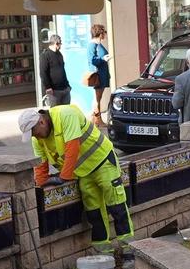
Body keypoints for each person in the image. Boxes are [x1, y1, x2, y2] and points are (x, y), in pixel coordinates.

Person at [31, 102, 132, 253]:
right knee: (94, 212)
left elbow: (73, 146)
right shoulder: (37, 139)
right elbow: (40, 166)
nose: (35, 136)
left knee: (116, 206)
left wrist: (64, 177)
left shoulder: (65, 114)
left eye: (35, 132)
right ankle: (104, 253)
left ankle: (129, 250)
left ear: (41, 121)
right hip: (83, 173)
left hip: (102, 161)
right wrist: (39, 188)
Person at [88, 24, 112, 119]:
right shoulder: (92, 45)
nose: (105, 34)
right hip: (98, 76)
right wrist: (103, 59)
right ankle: (97, 119)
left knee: (98, 98)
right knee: (97, 99)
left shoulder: (98, 44)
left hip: (102, 74)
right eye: (104, 32)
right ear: (100, 33)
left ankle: (96, 119)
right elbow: (92, 60)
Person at [41, 34, 71, 106]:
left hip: (65, 88)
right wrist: (48, 87)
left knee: (66, 111)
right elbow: (43, 73)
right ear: (56, 43)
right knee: (56, 112)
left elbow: (62, 70)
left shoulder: (59, 54)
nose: (60, 46)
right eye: (60, 43)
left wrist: (68, 85)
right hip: (54, 90)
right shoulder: (45, 55)